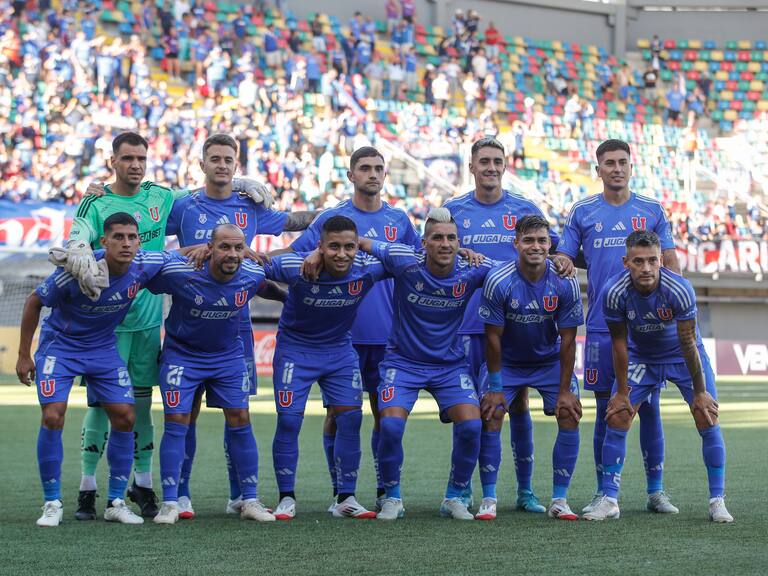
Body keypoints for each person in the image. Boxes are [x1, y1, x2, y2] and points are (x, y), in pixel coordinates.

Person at [61, 131, 271, 520]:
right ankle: (87, 488)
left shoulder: (161, 197)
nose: (135, 165)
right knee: (100, 405)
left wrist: (239, 183)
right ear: (113, 161)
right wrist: (77, 243)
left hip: (146, 320)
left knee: (142, 405)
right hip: (105, 322)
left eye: (141, 158)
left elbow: (204, 194)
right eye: (127, 158)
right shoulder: (95, 200)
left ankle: (141, 486)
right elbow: (79, 239)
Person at [164, 133, 315, 518]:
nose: (221, 164)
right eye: (214, 158)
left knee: (238, 413)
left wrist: (340, 212)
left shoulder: (249, 206)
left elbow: (294, 222)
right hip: (188, 326)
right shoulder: (183, 206)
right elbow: (142, 230)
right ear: (202, 164)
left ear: (236, 164)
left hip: (236, 332)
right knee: (187, 413)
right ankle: (179, 494)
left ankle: (240, 496)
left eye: (228, 159)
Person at [16, 212, 173, 526]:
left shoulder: (143, 265)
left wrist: (204, 249)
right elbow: (35, 301)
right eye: (118, 237)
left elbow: (177, 257)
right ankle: (52, 503)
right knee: (52, 415)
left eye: (132, 237)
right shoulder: (77, 270)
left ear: (139, 242)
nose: (125, 243)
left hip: (102, 349)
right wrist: (23, 355)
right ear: (104, 241)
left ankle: (115, 501)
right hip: (60, 348)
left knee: (126, 417)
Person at [287, 147, 420, 512]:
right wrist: (312, 254)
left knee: (384, 415)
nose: (373, 174)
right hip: (340, 337)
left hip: (388, 336)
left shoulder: (400, 220)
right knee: (339, 414)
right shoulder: (332, 218)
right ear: (351, 175)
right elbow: (290, 255)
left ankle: (385, 491)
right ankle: (341, 495)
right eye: (365, 168)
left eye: (379, 168)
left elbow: (418, 265)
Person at [555, 139, 682, 515]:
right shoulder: (582, 212)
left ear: (631, 166)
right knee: (605, 407)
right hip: (599, 326)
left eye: (622, 162)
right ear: (598, 170)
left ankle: (656, 491)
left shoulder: (652, 210)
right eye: (608, 163)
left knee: (650, 407)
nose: (616, 168)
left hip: (647, 328)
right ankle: (603, 492)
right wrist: (561, 258)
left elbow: (671, 262)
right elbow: (565, 252)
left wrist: (675, 306)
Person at [444, 137, 565, 515]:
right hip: (468, 325)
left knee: (519, 405)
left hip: (518, 325)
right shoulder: (453, 211)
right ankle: (462, 491)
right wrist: (458, 250)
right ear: (472, 166)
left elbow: (553, 248)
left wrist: (561, 258)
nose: (491, 167)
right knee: (471, 409)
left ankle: (525, 491)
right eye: (484, 161)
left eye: (497, 160)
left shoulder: (524, 208)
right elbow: (431, 250)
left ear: (505, 165)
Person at [585, 230, 733, 523]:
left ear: (661, 261)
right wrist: (622, 391)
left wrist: (700, 391)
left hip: (682, 355)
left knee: (707, 415)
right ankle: (610, 500)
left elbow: (689, 341)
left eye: (652, 261)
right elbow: (618, 344)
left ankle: (717, 501)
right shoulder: (613, 292)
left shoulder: (679, 289)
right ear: (626, 262)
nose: (646, 268)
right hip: (643, 357)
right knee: (617, 415)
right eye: (638, 261)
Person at [358, 208, 493, 521]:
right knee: (389, 425)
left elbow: (516, 268)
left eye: (451, 238)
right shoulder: (404, 261)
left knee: (472, 425)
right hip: (403, 362)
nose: (445, 244)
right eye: (437, 238)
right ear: (424, 243)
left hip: (449, 365)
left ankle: (455, 496)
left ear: (460, 243)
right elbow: (361, 242)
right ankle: (391, 497)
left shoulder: (473, 268)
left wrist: (557, 260)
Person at [147, 224, 274, 524]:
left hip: (227, 356)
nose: (232, 254)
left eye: (238, 248)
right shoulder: (181, 272)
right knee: (178, 420)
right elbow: (145, 275)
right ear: (210, 248)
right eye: (225, 247)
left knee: (240, 418)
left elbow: (271, 285)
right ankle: (170, 502)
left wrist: (291, 299)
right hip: (182, 355)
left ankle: (250, 500)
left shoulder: (253, 274)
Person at [267, 216, 388, 520]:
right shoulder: (297, 267)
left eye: (349, 246)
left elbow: (411, 257)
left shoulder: (367, 270)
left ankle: (345, 497)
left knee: (350, 419)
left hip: (339, 352)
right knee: (289, 421)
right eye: (333, 247)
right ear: (319, 246)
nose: (342, 254)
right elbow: (252, 263)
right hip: (295, 351)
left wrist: (465, 253)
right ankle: (286, 497)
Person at [477, 215, 584, 521]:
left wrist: (564, 390)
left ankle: (560, 499)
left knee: (569, 412)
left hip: (548, 361)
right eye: (528, 240)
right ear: (516, 244)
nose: (535, 246)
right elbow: (492, 338)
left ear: (551, 244)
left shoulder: (564, 281)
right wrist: (496, 388)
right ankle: (489, 498)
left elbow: (568, 340)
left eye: (541, 240)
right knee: (492, 412)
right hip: (508, 361)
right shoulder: (499, 280)